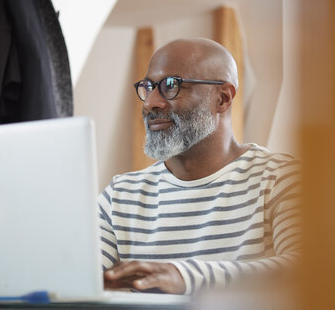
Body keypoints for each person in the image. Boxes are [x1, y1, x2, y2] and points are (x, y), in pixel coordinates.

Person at [99, 38, 300, 295]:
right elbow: (76, 284)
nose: (150, 103)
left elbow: (307, 271)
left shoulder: (280, 178)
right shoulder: (119, 196)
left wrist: (184, 277)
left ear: (223, 98)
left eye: (171, 86)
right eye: (148, 87)